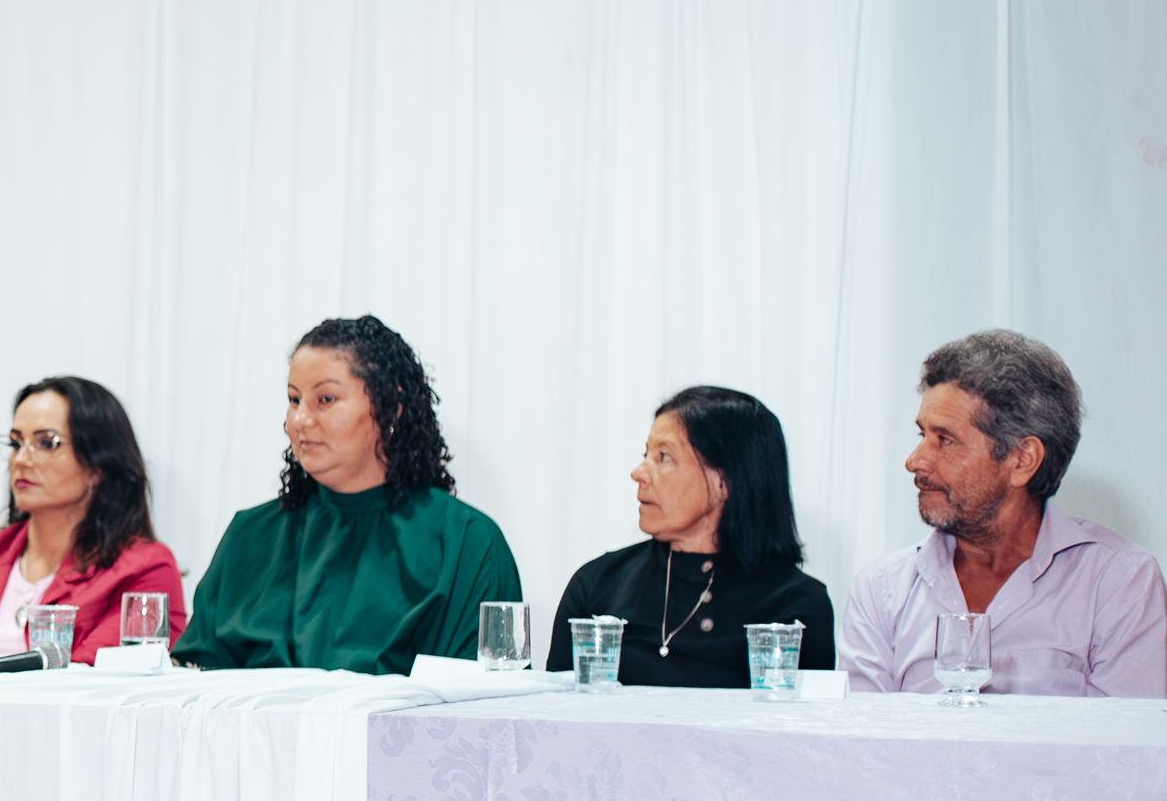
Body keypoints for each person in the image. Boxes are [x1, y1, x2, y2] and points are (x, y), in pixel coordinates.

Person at [174, 315, 520, 675]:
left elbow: (490, 710)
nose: (300, 420)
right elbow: (192, 687)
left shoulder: (467, 543)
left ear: (391, 407)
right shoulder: (248, 538)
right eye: (294, 400)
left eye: (325, 399)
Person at [840, 331, 1164, 696]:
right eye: (922, 436)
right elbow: (860, 748)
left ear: (1022, 460)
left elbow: (1125, 749)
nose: (915, 461)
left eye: (944, 440)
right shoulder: (881, 591)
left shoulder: (1118, 583)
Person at [544, 386, 835, 687]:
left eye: (664, 457)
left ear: (724, 481)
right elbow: (553, 721)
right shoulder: (596, 585)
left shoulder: (795, 610)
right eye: (646, 455)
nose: (638, 472)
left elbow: (802, 731)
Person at [0, 376, 187, 663]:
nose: (20, 459)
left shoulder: (145, 570)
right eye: (16, 443)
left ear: (100, 465)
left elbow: (93, 688)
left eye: (46, 443)